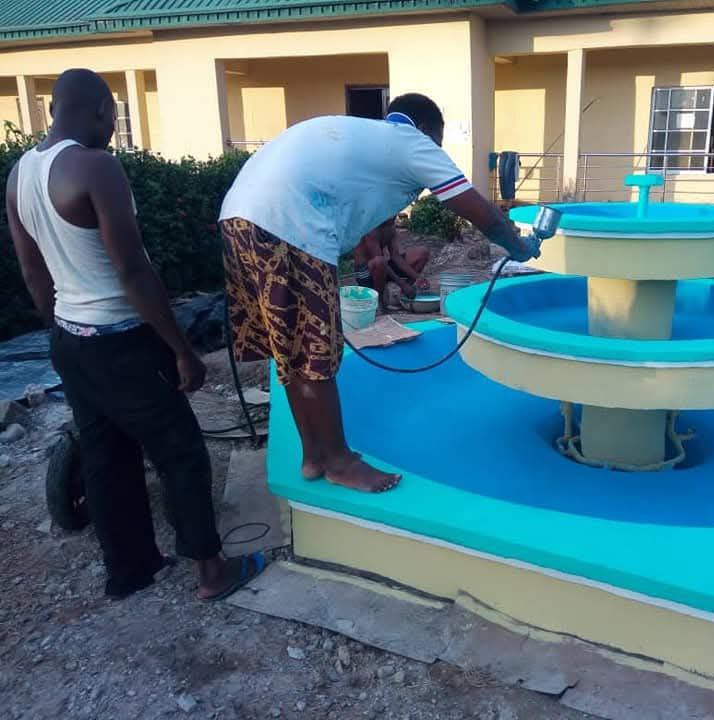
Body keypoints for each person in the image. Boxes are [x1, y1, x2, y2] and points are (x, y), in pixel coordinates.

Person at [6, 69, 265, 601]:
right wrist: (180, 350)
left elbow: (32, 271)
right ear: (103, 109)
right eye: (112, 117)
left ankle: (130, 570)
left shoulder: (20, 174)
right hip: (122, 340)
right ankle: (212, 572)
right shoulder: (96, 167)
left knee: (105, 455)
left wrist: (60, 331)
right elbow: (132, 270)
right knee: (180, 451)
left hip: (70, 340)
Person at [220, 93, 538, 493]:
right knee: (317, 349)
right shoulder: (412, 142)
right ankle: (339, 462)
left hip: (239, 219)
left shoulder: (364, 138)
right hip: (288, 223)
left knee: (292, 348)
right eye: (438, 142)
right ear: (427, 130)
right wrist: (518, 246)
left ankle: (315, 455)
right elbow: (480, 212)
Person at [354, 217, 430, 306]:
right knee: (379, 261)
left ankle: (404, 294)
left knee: (422, 253)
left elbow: (396, 256)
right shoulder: (371, 229)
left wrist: (418, 277)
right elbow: (379, 261)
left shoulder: (390, 227)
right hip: (365, 273)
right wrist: (402, 284)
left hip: (382, 267)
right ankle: (379, 302)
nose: (394, 217)